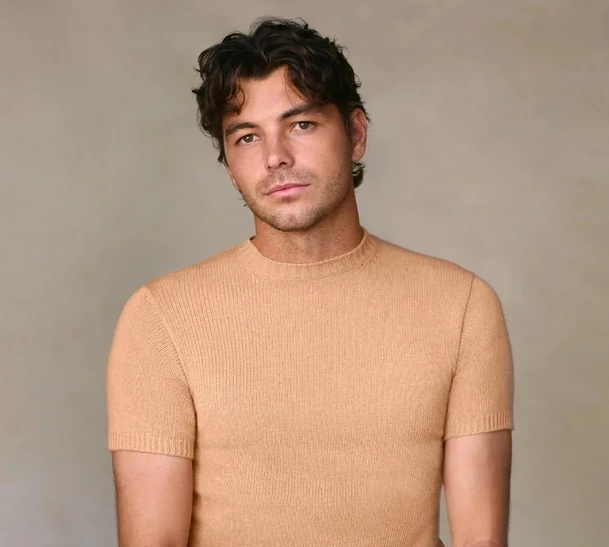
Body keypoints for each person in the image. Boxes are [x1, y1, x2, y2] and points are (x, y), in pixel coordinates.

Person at [106, 16, 514, 547]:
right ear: (229, 166)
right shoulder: (161, 317)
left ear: (356, 134)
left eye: (301, 124)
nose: (275, 157)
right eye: (247, 137)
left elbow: (481, 539)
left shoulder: (462, 306)